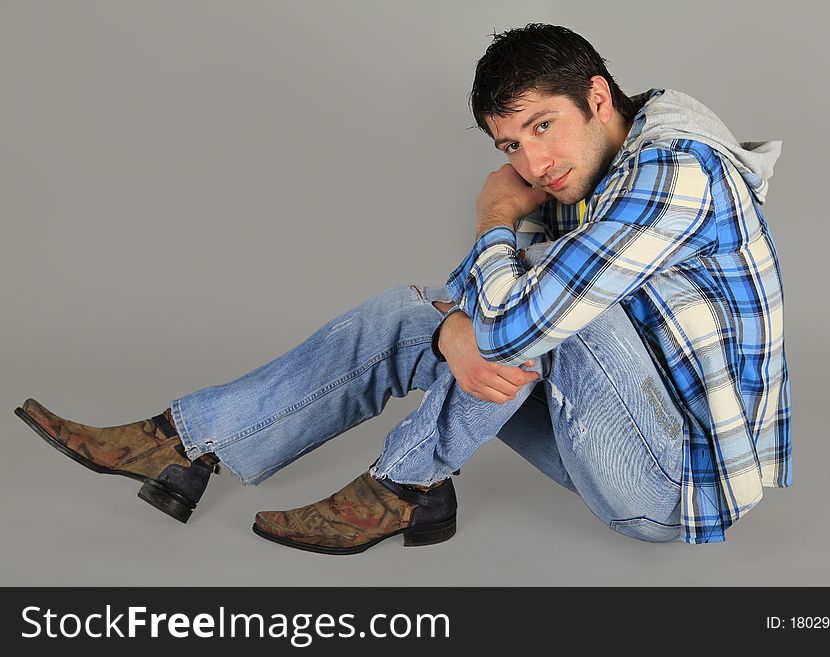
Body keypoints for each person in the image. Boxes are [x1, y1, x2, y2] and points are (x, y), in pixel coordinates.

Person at [15, 23, 790, 553]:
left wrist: (492, 218)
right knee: (418, 312)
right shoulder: (589, 165)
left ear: (596, 96)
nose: (532, 163)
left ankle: (407, 482)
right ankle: (184, 442)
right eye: (511, 146)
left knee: (540, 315)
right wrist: (448, 328)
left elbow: (520, 324)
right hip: (617, 424)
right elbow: (476, 302)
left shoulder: (674, 171)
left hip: (676, 484)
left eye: (543, 126)